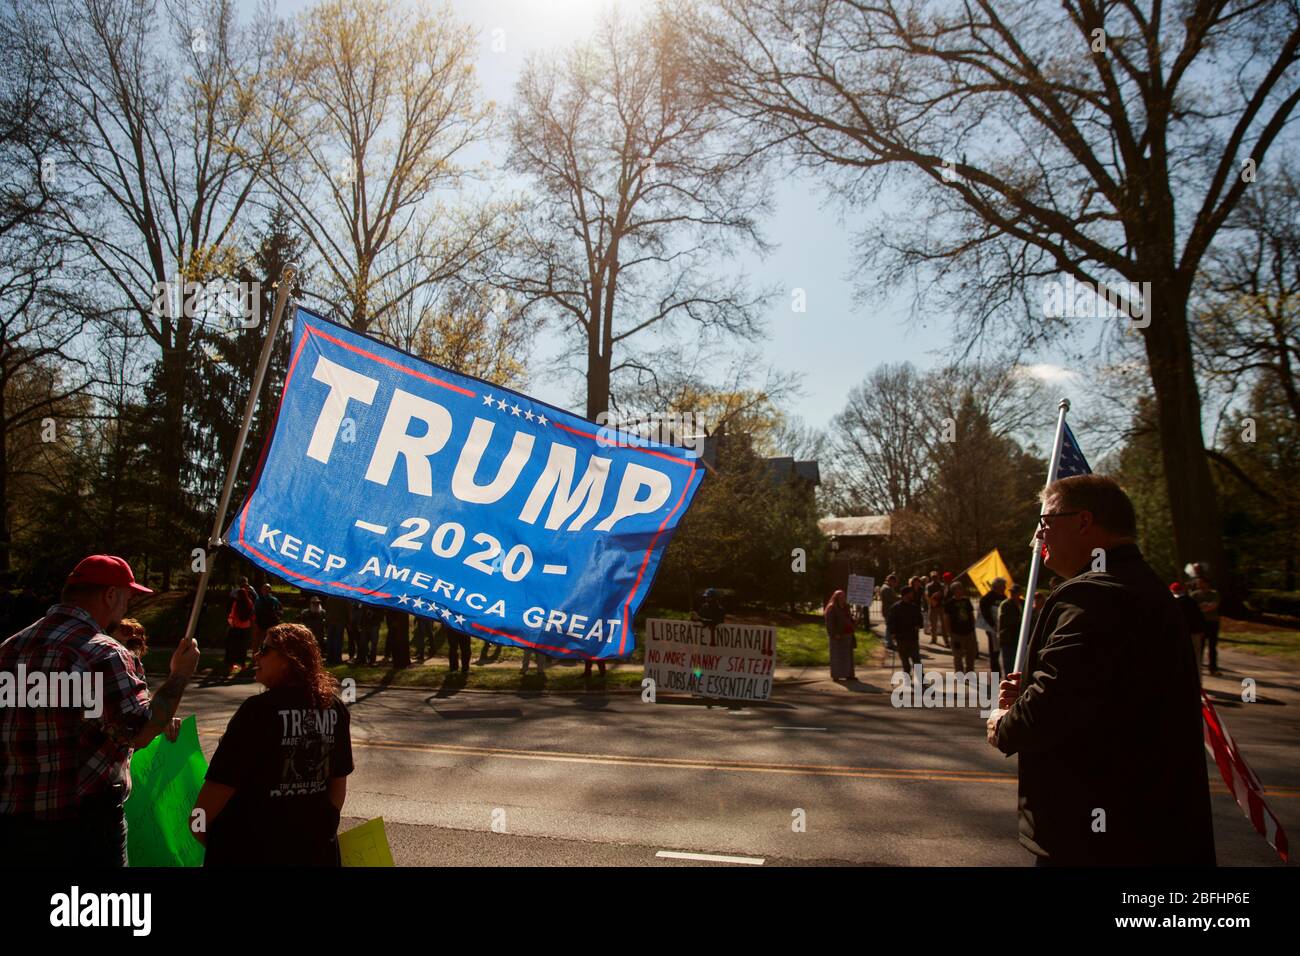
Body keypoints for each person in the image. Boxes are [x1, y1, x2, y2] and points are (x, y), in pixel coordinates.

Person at [987, 474, 1214, 865]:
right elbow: (1098, 695)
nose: (1039, 537)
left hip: (1098, 837)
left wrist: (1003, 721)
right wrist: (1031, 690)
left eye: (1045, 523)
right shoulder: (1145, 586)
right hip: (1148, 825)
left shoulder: (1093, 594)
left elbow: (1048, 711)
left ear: (1083, 522)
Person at [0, 555, 198, 867]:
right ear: (110, 595)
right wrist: (179, 675)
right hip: (84, 827)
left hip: (15, 822)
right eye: (128, 597)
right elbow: (141, 732)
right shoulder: (104, 653)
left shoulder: (10, 648)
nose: (127, 607)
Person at [193, 623, 353, 866]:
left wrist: (205, 834)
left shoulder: (257, 711)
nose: (256, 655)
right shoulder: (335, 708)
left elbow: (215, 795)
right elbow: (337, 791)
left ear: (289, 659)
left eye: (264, 650)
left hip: (253, 852)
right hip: (316, 853)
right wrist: (319, 833)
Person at [1171, 582, 1207, 682]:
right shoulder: (1191, 602)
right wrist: (1201, 631)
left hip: (1179, 636)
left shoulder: (1172, 603)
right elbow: (1200, 618)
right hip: (1194, 634)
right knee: (1196, 660)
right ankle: (1197, 683)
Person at [887, 586, 925, 674]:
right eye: (911, 593)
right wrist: (892, 633)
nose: (912, 594)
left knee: (916, 659)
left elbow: (920, 620)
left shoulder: (914, 607)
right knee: (905, 661)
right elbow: (890, 622)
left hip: (913, 637)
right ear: (906, 594)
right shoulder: (895, 608)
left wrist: (918, 625)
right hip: (901, 638)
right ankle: (907, 677)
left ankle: (921, 679)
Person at [944, 581, 978, 672]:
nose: (961, 590)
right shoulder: (950, 603)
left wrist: (973, 626)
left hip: (969, 632)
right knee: (958, 656)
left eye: (961, 588)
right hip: (956, 634)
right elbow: (947, 618)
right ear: (954, 591)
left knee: (971, 655)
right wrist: (949, 632)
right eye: (958, 588)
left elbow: (971, 614)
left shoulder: (966, 601)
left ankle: (970, 673)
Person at [1190, 576, 1221, 676]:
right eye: (1198, 583)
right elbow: (1192, 607)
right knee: (1200, 646)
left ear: (1206, 583)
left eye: (1201, 582)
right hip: (1200, 624)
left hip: (1212, 622)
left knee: (1212, 646)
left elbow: (1214, 605)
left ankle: (1213, 668)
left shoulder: (1214, 593)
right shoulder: (1194, 595)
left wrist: (1202, 608)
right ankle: (1198, 668)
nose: (1199, 584)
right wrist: (1203, 607)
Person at [823, 589, 856, 681]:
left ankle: (849, 675)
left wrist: (853, 620)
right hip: (838, 635)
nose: (843, 599)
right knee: (837, 656)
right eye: (841, 597)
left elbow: (848, 617)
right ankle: (836, 675)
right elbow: (829, 623)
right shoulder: (831, 607)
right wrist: (834, 633)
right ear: (836, 598)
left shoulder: (846, 607)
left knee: (848, 656)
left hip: (848, 634)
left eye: (844, 597)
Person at [225, 583, 255, 676]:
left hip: (236, 627)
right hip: (246, 627)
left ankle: (232, 665)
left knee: (234, 646)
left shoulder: (236, 603)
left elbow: (232, 615)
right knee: (243, 647)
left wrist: (230, 622)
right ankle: (242, 664)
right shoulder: (249, 602)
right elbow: (253, 614)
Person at [978, 577, 1006, 673]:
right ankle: (995, 677)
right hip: (992, 630)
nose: (1004, 588)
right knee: (994, 653)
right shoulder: (987, 598)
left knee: (1005, 653)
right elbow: (985, 613)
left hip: (1004, 630)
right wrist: (993, 625)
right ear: (996, 587)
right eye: (1002, 586)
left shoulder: (1004, 597)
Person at [997, 584, 1025, 677]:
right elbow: (1005, 620)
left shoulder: (1024, 603)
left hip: (1021, 638)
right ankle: (1007, 681)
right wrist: (1020, 619)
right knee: (1008, 664)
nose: (1013, 594)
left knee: (1021, 664)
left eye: (1015, 592)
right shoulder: (1006, 604)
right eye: (1012, 592)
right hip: (1008, 638)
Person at [252, 583, 282, 657]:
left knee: (259, 642)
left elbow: (254, 612)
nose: (264, 591)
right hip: (270, 624)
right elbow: (280, 611)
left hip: (261, 624)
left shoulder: (258, 600)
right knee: (269, 642)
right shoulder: (274, 600)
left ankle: (256, 658)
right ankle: (266, 657)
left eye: (265, 589)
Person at [324, 595, 350, 666]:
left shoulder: (330, 597)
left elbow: (327, 609)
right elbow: (348, 610)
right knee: (338, 640)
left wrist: (327, 619)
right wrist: (348, 621)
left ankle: (330, 658)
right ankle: (337, 659)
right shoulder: (344, 598)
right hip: (340, 621)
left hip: (331, 621)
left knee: (330, 640)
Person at [925, 571, 947, 645]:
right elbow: (927, 596)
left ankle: (946, 640)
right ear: (931, 578)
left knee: (944, 625)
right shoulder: (928, 586)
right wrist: (932, 599)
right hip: (932, 607)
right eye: (933, 577)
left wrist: (941, 594)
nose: (934, 578)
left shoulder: (942, 585)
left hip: (941, 607)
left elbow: (945, 596)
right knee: (933, 625)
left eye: (935, 577)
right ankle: (933, 639)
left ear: (938, 577)